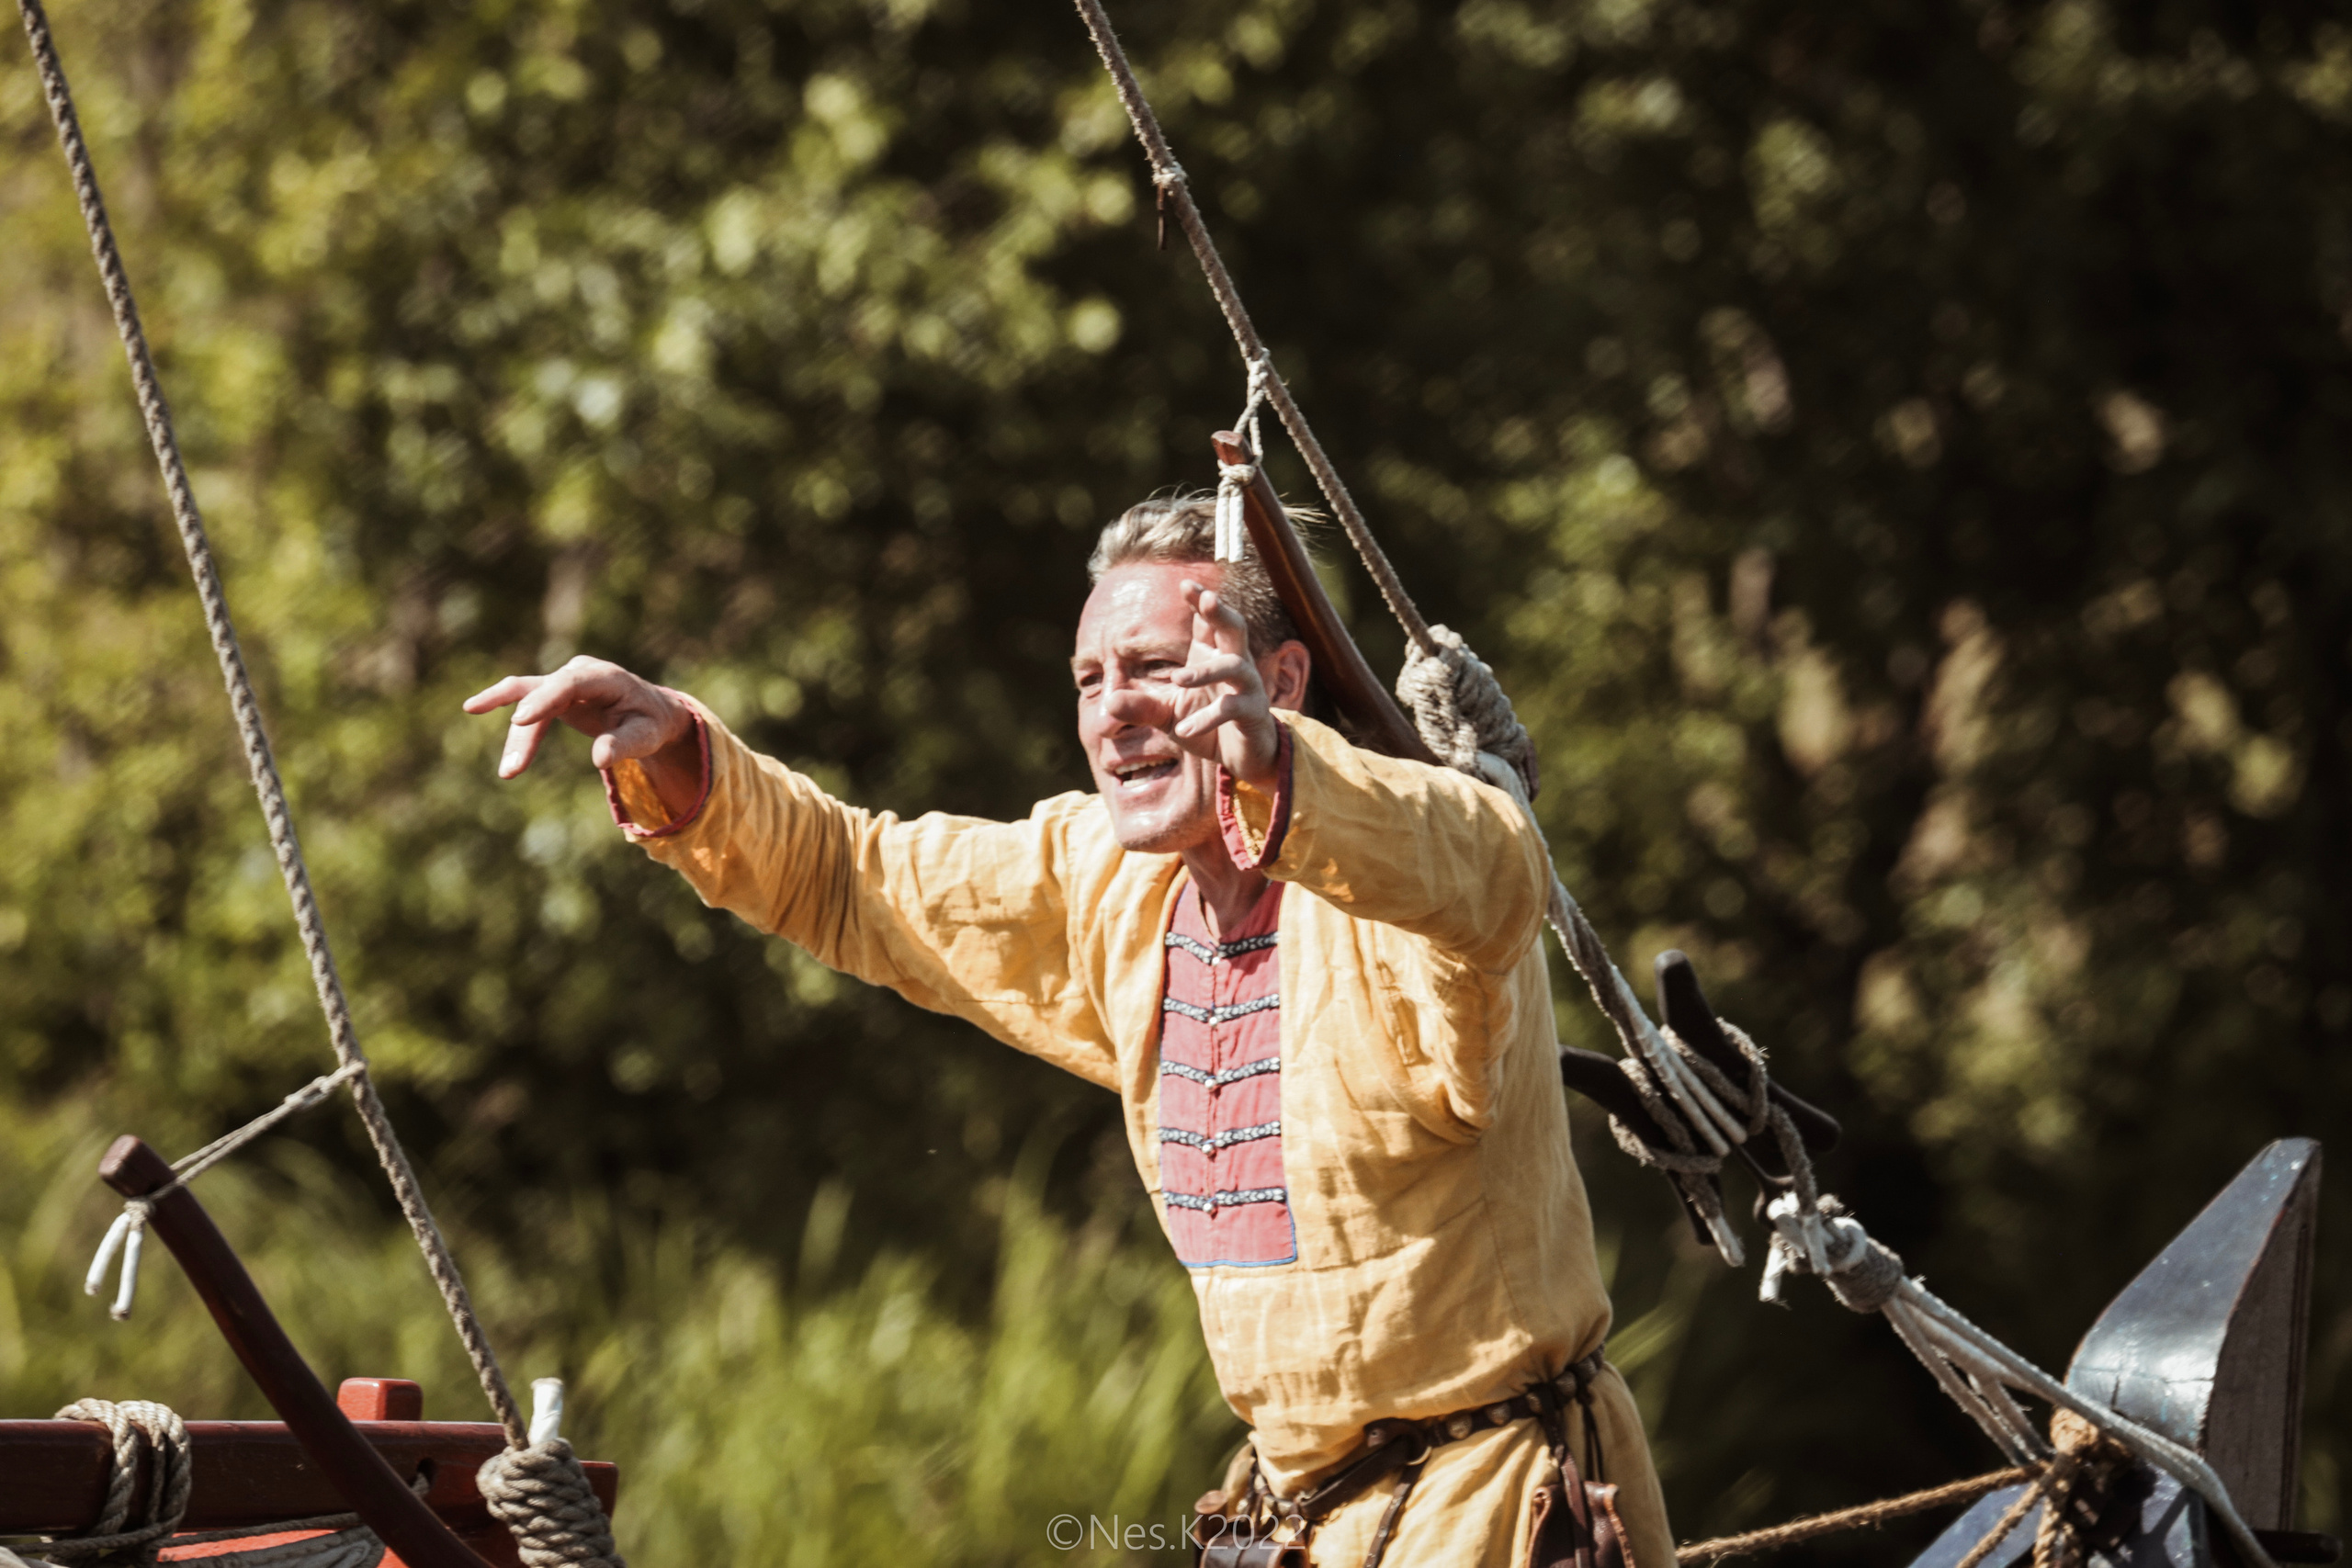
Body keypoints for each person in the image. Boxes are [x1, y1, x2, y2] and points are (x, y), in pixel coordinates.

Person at [465, 496, 1675, 1568]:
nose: (1114, 712)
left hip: (1503, 1511)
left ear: (1285, 681)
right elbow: (851, 876)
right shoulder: (1108, 881)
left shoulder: (1405, 875)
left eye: (1154, 668)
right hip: (1297, 1518)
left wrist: (1276, 763)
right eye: (1090, 680)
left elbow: (1492, 865)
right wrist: (678, 752)